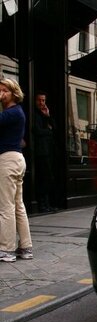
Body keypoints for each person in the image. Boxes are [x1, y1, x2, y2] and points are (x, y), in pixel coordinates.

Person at [0, 78, 33, 262]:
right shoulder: (16, 112)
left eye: (5, 90)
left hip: (7, 160)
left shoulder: (12, 113)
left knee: (6, 207)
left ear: (13, 93)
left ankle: (7, 250)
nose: (2, 94)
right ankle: (26, 247)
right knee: (18, 206)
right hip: (17, 160)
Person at [32, 91, 57, 212]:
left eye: (43, 100)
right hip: (41, 152)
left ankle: (47, 204)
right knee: (44, 177)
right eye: (39, 100)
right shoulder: (34, 114)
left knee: (48, 177)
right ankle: (42, 205)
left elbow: (54, 128)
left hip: (48, 150)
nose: (42, 103)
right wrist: (49, 131)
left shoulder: (44, 114)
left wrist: (47, 116)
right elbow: (37, 131)